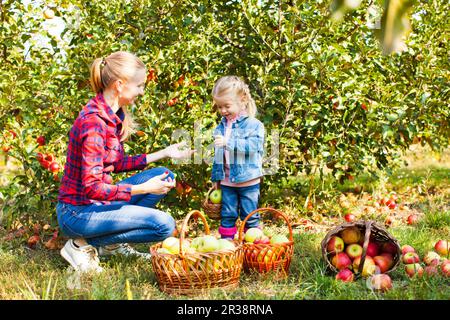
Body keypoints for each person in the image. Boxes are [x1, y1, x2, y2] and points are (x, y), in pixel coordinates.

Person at [56, 51, 194, 273]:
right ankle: (79, 244)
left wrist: (165, 153)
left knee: (165, 175)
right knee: (164, 225)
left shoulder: (113, 115)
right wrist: (144, 188)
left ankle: (109, 245)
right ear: (120, 85)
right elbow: (93, 188)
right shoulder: (94, 124)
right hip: (77, 213)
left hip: (97, 206)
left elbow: (116, 163)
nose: (141, 91)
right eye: (139, 85)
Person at [211, 76, 265, 240]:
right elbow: (219, 155)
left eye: (227, 106)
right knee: (227, 214)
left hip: (248, 180)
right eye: (220, 106)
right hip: (227, 181)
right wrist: (216, 178)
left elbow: (254, 147)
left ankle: (253, 245)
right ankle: (228, 247)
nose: (223, 111)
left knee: (250, 214)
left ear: (243, 101)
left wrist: (229, 142)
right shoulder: (221, 126)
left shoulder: (254, 125)